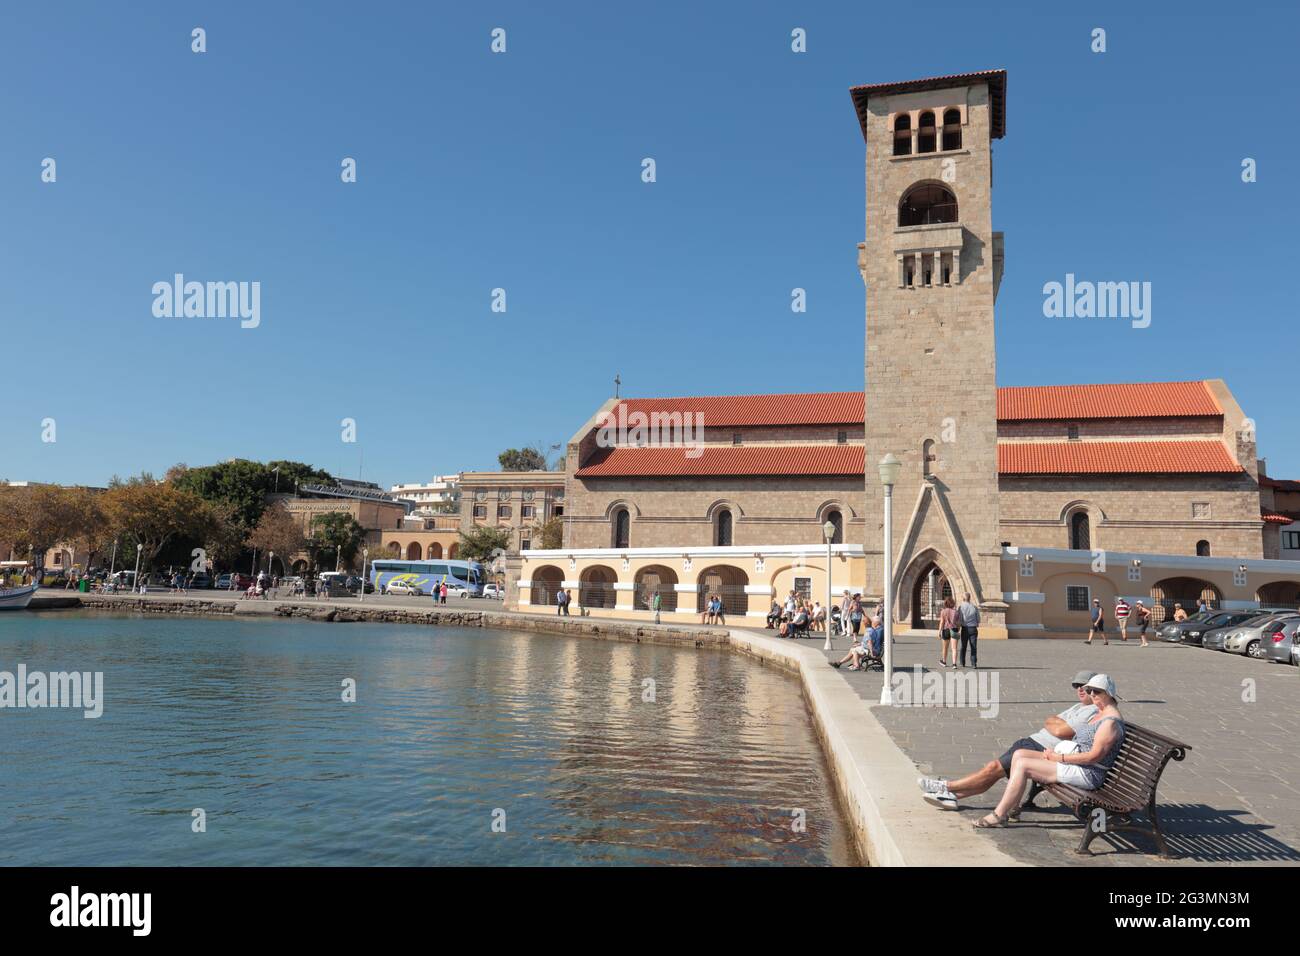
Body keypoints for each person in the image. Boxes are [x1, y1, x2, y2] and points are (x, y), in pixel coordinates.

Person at [917, 671, 1099, 811]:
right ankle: (951, 797)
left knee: (993, 769)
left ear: (1096, 689)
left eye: (1085, 686)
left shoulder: (1092, 711)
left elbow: (1059, 728)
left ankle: (946, 786)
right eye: (1077, 686)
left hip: (1041, 750)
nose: (1080, 690)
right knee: (995, 772)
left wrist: (1057, 723)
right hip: (1031, 742)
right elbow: (1049, 720)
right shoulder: (1079, 706)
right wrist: (1055, 723)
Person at [971, 674, 1125, 828]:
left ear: (1109, 693)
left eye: (1096, 691)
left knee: (1024, 765)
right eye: (1090, 690)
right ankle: (1013, 807)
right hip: (1077, 764)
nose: (1092, 694)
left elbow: (1093, 757)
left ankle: (999, 815)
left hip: (1088, 773)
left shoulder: (1110, 723)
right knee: (1019, 754)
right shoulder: (1101, 712)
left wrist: (1059, 757)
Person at [957, 593, 980, 667]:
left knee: (963, 646)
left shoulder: (961, 607)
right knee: (973, 646)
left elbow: (960, 619)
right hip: (973, 628)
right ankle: (974, 663)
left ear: (963, 598)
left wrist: (959, 626)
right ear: (969, 598)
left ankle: (962, 662)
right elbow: (978, 619)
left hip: (965, 628)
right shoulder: (974, 607)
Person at [938, 596, 958, 668]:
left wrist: (939, 631)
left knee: (945, 648)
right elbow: (958, 622)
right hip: (954, 629)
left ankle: (944, 661)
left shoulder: (943, 611)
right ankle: (954, 664)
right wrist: (958, 629)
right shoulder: (956, 612)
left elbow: (942, 622)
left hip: (946, 630)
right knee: (954, 648)